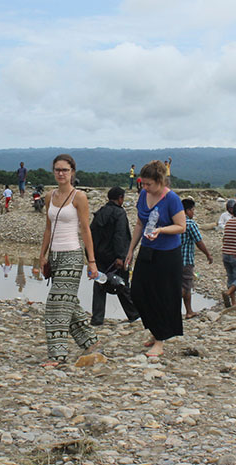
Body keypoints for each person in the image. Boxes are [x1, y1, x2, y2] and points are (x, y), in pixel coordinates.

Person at [39, 154, 99, 365]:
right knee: (67, 302)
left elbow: (85, 229)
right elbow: (48, 227)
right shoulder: (49, 196)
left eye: (65, 170)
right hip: (54, 256)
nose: (61, 173)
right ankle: (90, 342)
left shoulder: (79, 197)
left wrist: (91, 261)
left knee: (55, 305)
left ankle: (57, 356)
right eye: (57, 169)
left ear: (72, 172)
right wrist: (42, 255)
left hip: (72, 255)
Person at [125, 160, 186, 358]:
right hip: (147, 250)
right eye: (143, 183)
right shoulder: (143, 195)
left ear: (160, 181)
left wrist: (161, 230)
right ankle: (155, 329)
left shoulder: (172, 199)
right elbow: (140, 224)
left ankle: (159, 340)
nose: (145, 187)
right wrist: (131, 249)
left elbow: (181, 226)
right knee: (138, 292)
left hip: (168, 254)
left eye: (149, 184)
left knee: (162, 296)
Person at [89, 186, 140, 326]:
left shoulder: (100, 213)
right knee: (122, 284)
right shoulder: (119, 213)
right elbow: (120, 236)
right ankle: (134, 314)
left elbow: (92, 234)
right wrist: (121, 257)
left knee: (100, 285)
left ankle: (97, 318)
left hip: (99, 255)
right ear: (120, 198)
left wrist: (90, 256)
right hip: (115, 256)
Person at [181, 198, 213, 318]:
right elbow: (199, 242)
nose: (193, 212)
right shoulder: (190, 224)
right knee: (186, 286)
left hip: (173, 259)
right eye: (193, 210)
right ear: (188, 210)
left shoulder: (173, 221)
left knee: (177, 284)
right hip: (186, 260)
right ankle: (189, 311)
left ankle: (172, 308)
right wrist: (208, 254)